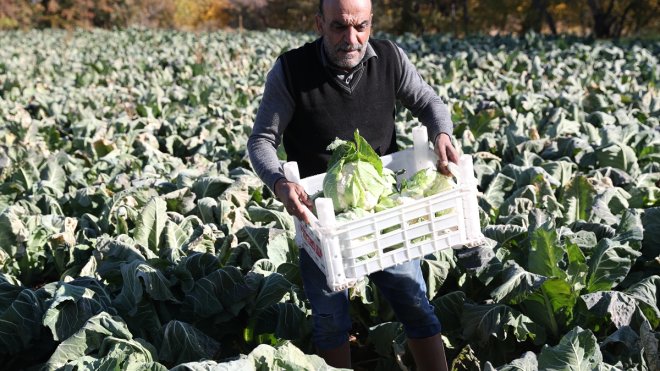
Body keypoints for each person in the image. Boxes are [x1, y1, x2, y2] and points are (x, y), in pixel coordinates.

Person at [247, 0, 458, 369]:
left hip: (382, 211)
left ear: (371, 23)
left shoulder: (390, 58)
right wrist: (280, 183)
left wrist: (441, 132)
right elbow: (261, 140)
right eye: (339, 27)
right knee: (330, 322)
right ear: (318, 24)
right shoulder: (292, 70)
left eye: (360, 27)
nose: (352, 38)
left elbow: (428, 102)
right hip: (321, 218)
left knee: (415, 304)